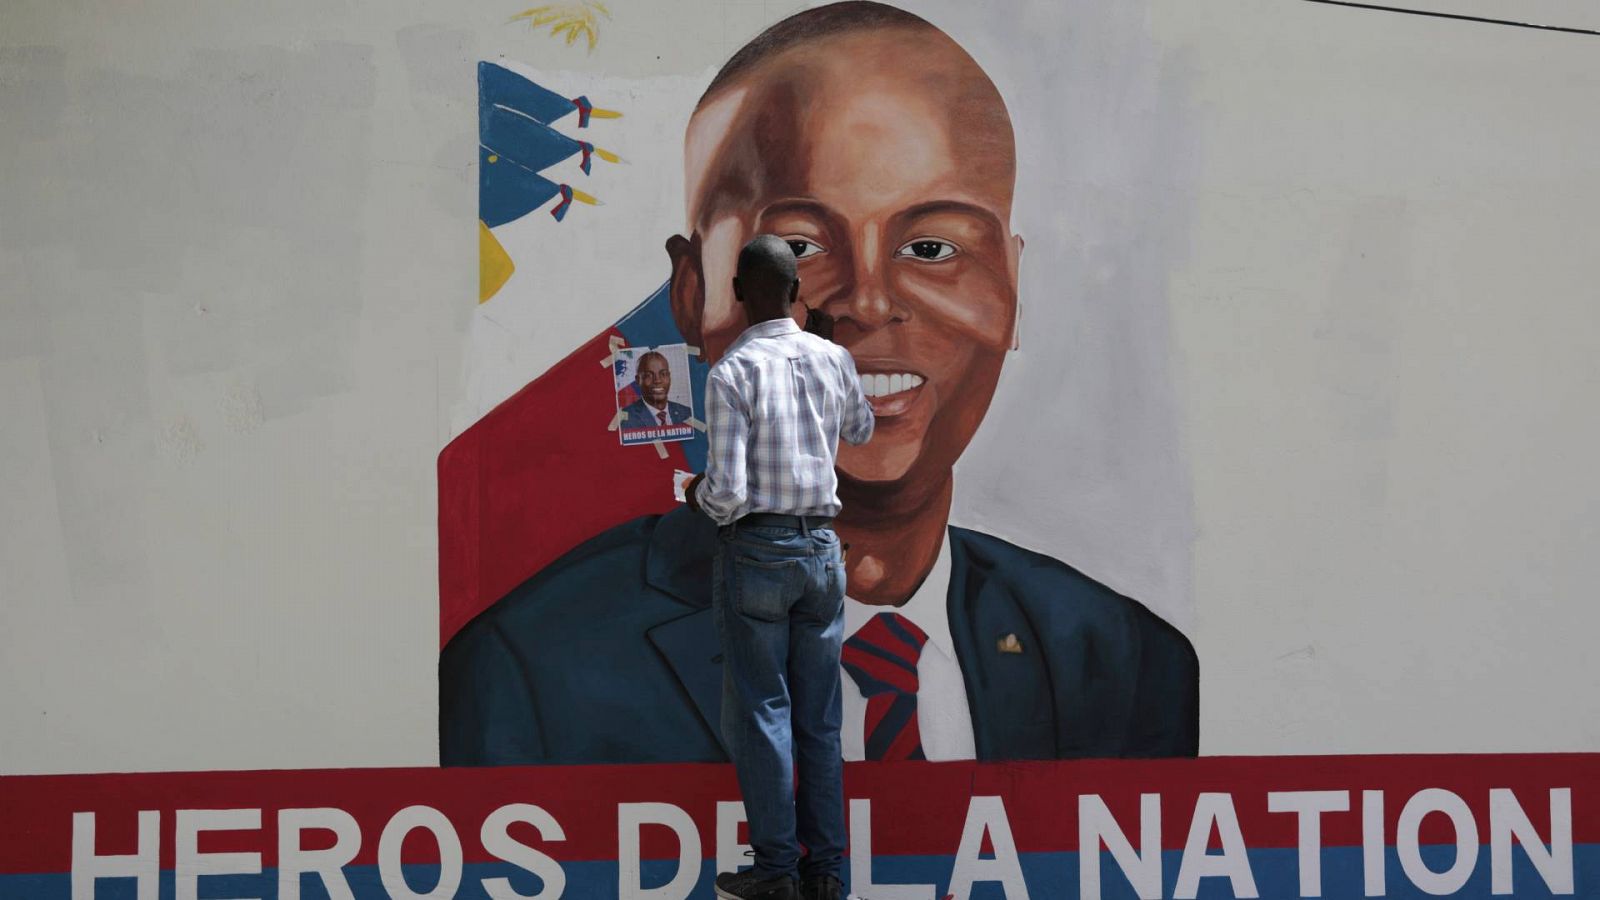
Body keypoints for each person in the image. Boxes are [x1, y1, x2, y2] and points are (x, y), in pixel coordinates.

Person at [439, 1, 1197, 770]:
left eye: (932, 246)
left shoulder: (1128, 667)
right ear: (694, 292)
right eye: (797, 246)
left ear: (1011, 289)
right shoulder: (532, 672)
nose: (866, 301)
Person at [680, 234, 872, 900]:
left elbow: (726, 494)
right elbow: (863, 430)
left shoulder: (732, 372)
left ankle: (777, 870)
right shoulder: (832, 358)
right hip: (820, 548)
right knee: (820, 720)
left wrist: (692, 494)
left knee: (763, 713)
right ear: (797, 291)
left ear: (738, 292)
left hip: (757, 553)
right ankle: (826, 873)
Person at [619, 350, 693, 431]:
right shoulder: (625, 420)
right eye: (649, 375)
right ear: (638, 380)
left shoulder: (687, 413)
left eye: (663, 374)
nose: (657, 380)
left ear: (669, 377)